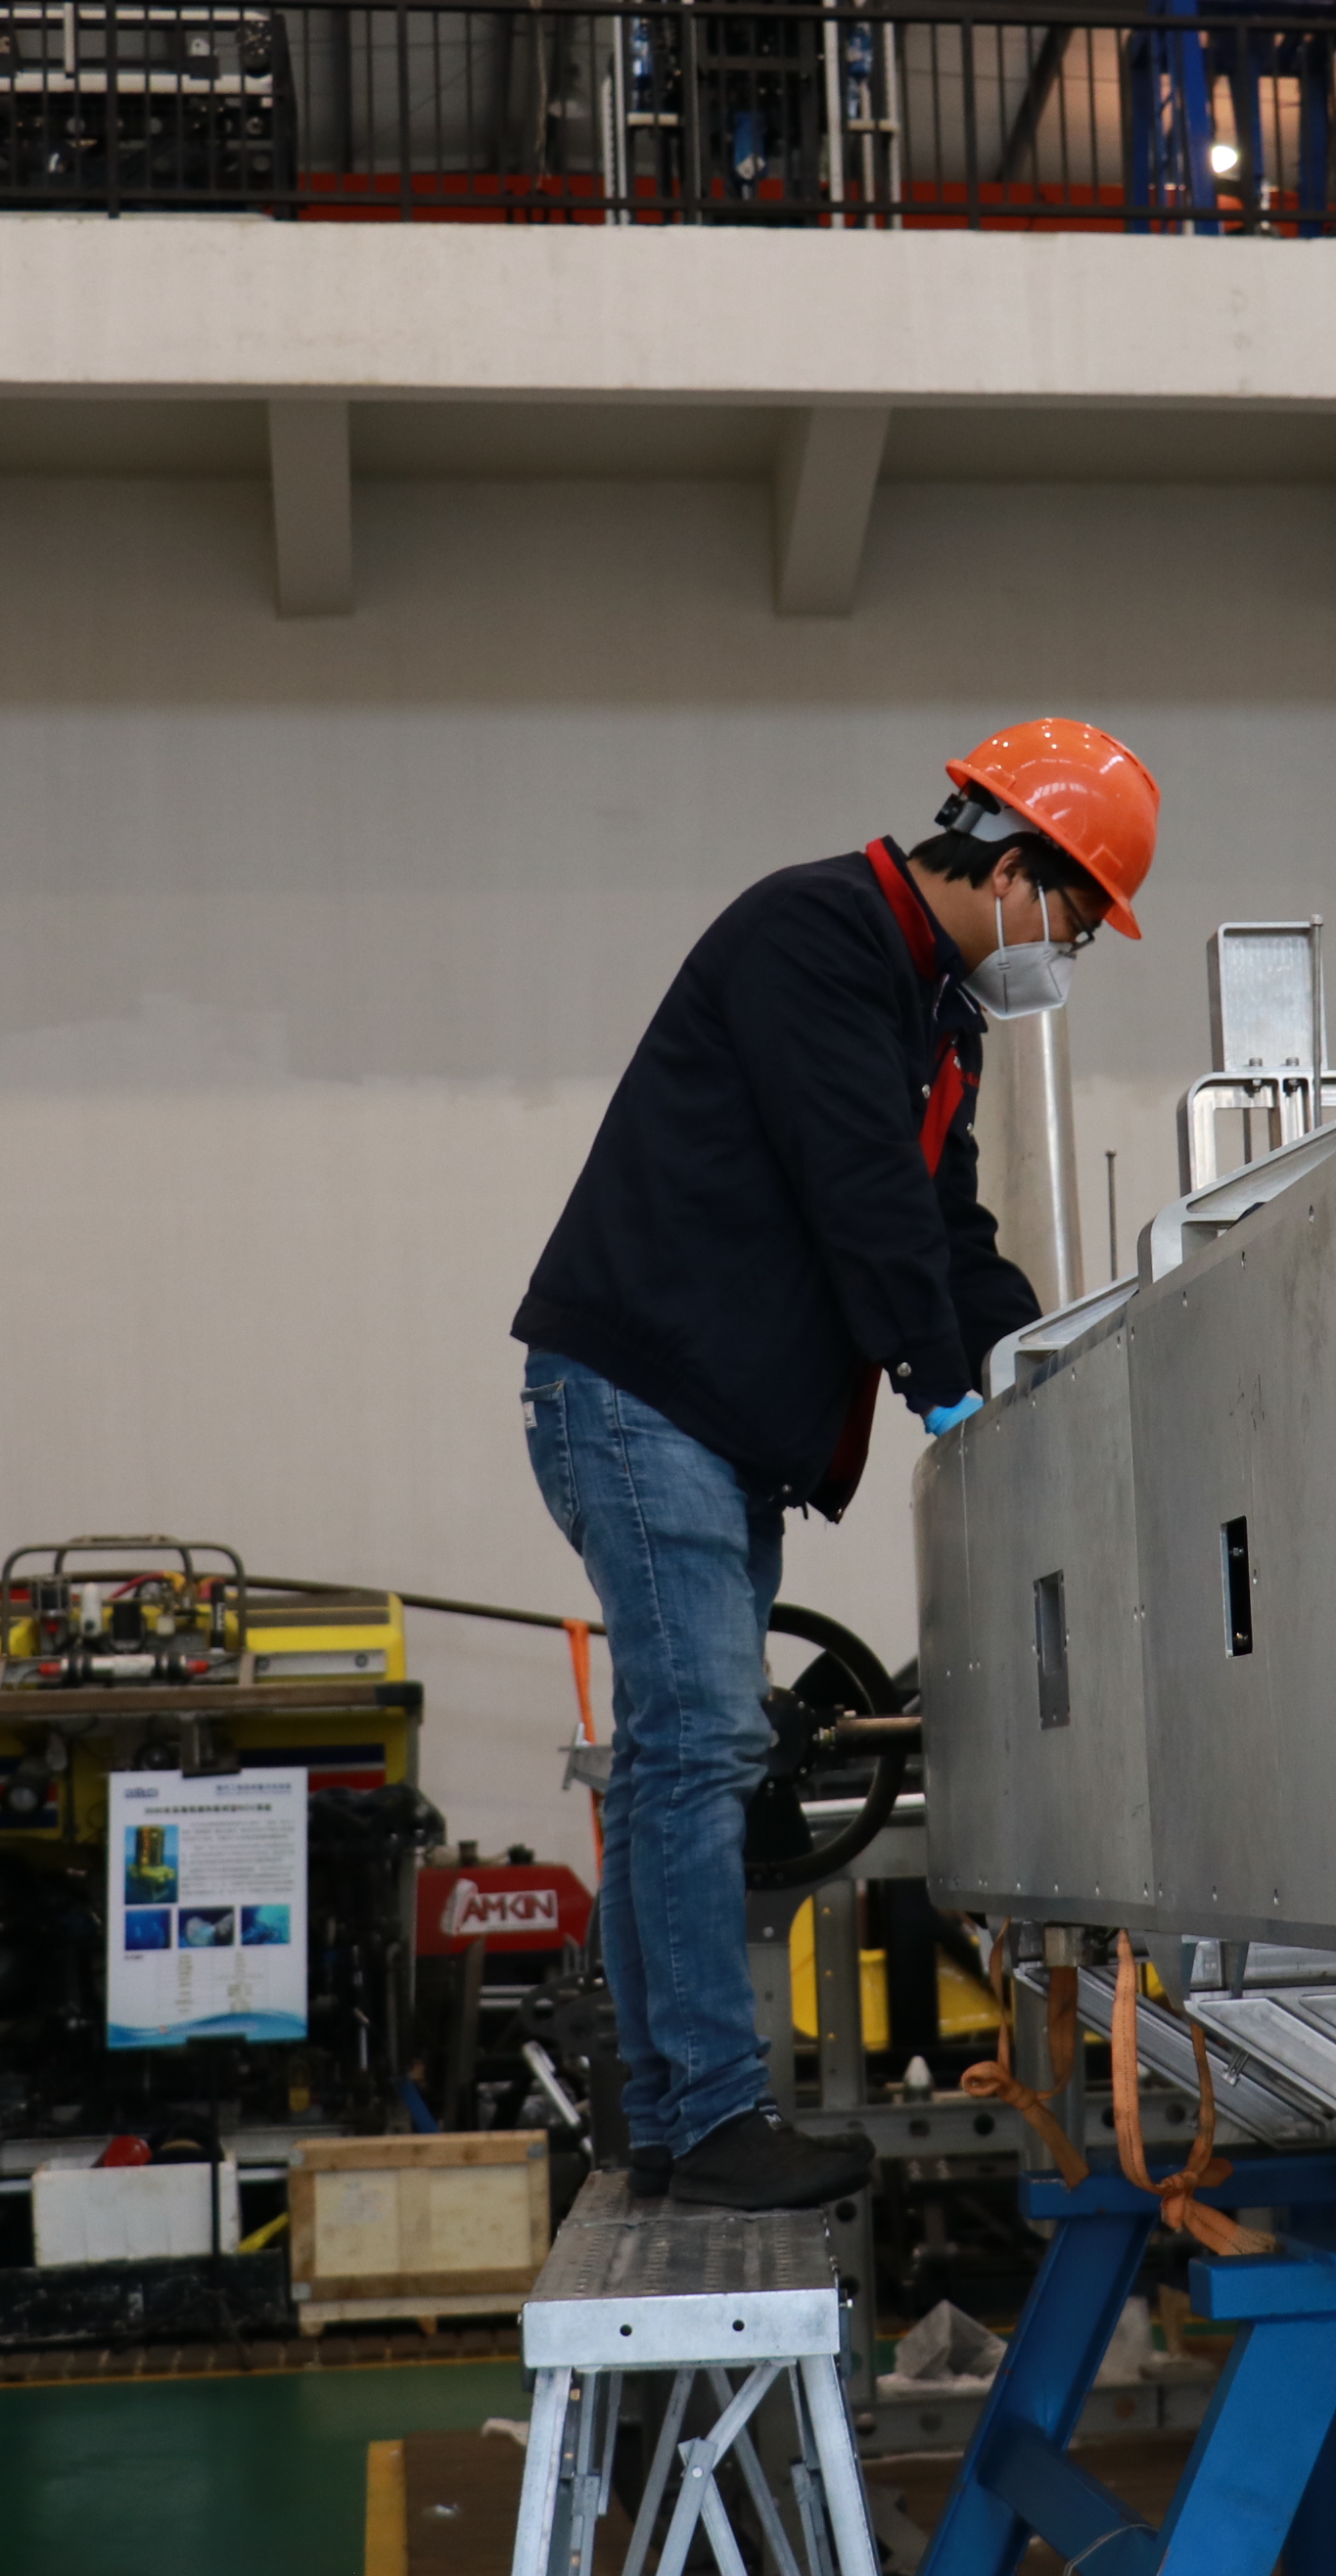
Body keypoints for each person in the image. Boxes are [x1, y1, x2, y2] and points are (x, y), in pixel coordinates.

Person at [514, 719, 1159, 2210]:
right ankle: (709, 2116)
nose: (1065, 953)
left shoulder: (936, 1013)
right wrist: (939, 1386)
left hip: (715, 1422)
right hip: (641, 1397)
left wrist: (1034, 1368)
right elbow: (859, 1189)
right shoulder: (812, 937)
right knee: (699, 1750)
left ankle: (668, 2120)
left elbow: (945, 1228)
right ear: (1012, 867)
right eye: (1074, 921)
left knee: (681, 1755)